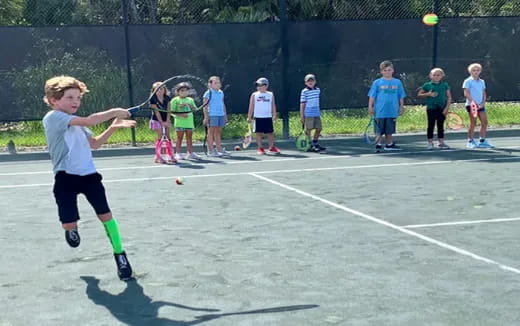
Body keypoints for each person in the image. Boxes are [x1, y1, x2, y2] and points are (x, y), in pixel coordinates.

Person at [42, 75, 135, 280]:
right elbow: (91, 119)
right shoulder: (53, 117)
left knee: (106, 216)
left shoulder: (80, 126)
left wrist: (114, 126)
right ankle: (71, 228)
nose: (75, 101)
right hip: (65, 178)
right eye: (70, 97)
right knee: (68, 223)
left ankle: (120, 255)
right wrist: (114, 111)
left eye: (78, 98)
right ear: (54, 100)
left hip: (90, 177)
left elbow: (95, 144)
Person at [368, 60, 406, 152]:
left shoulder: (397, 82)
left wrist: (401, 106)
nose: (387, 72)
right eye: (385, 70)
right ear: (381, 72)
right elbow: (372, 96)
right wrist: (370, 107)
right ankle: (378, 144)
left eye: (389, 70)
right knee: (379, 129)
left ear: (393, 70)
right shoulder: (377, 82)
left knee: (390, 129)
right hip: (380, 110)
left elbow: (401, 96)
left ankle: (389, 144)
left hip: (392, 110)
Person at [418, 68, 452, 149]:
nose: (436, 77)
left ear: (442, 76)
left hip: (442, 108)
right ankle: (430, 143)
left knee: (440, 126)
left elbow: (449, 97)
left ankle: (441, 142)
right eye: (434, 75)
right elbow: (419, 94)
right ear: (430, 76)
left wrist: (446, 108)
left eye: (438, 75)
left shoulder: (445, 85)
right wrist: (428, 94)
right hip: (431, 108)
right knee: (431, 125)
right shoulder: (427, 85)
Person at [247, 77, 281, 155]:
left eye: (260, 85)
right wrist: (249, 116)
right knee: (258, 133)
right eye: (257, 85)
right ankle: (260, 148)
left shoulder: (270, 94)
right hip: (258, 117)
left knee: (270, 132)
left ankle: (271, 147)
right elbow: (251, 106)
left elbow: (273, 105)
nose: (258, 87)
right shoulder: (254, 95)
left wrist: (274, 114)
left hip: (268, 117)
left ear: (266, 86)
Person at [463, 63, 493, 148]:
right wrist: (473, 103)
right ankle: (470, 141)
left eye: (478, 70)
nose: (476, 72)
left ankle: (482, 141)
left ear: (480, 71)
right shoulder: (467, 81)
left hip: (481, 105)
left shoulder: (482, 81)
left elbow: (484, 93)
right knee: (473, 122)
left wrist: (483, 103)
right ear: (470, 71)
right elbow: (466, 93)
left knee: (484, 122)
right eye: (474, 70)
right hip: (471, 105)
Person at [170, 82, 201, 160]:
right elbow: (171, 112)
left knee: (189, 138)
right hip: (180, 123)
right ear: (178, 92)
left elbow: (195, 109)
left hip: (189, 123)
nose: (184, 92)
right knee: (179, 138)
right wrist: (180, 114)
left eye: (186, 90)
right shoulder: (175, 100)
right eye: (182, 90)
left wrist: (190, 106)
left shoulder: (190, 99)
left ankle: (190, 152)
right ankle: (177, 153)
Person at [203, 76, 229, 156]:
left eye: (219, 82)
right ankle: (210, 150)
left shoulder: (221, 92)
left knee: (218, 132)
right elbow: (205, 106)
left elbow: (222, 104)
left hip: (220, 114)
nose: (218, 84)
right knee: (211, 132)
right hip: (212, 115)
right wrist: (206, 117)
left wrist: (225, 115)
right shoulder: (208, 93)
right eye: (215, 83)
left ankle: (219, 149)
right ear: (210, 84)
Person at [300, 74, 325, 152]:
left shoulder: (318, 90)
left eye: (312, 80)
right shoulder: (304, 91)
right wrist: (302, 115)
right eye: (308, 81)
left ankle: (315, 143)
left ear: (315, 82)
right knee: (308, 130)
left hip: (316, 113)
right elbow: (302, 104)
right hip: (308, 114)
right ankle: (309, 145)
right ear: (305, 83)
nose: (310, 82)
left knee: (319, 128)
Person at [149, 82, 172, 163]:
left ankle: (170, 155)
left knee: (168, 138)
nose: (159, 90)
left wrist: (168, 120)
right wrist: (162, 122)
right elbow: (156, 112)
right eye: (157, 89)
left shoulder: (167, 98)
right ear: (153, 90)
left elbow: (169, 110)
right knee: (161, 138)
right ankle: (159, 157)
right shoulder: (152, 99)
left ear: (164, 90)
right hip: (156, 120)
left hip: (166, 120)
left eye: (161, 88)